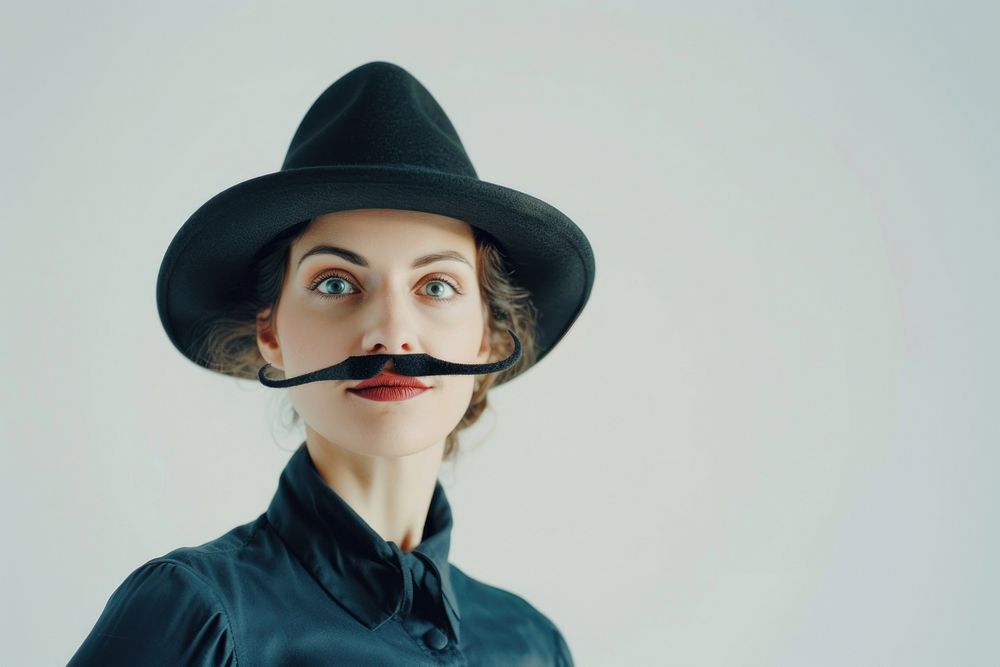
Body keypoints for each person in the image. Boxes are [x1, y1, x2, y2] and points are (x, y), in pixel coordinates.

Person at [69, 61, 595, 666]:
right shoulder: (198, 614)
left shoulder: (530, 645)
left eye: (438, 286)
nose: (391, 334)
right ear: (270, 331)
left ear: (489, 336)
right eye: (337, 284)